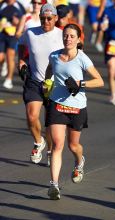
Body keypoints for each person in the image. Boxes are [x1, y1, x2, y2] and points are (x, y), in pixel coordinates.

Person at [45, 23, 104, 200]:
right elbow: (49, 70)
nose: (68, 39)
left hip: (77, 106)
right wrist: (47, 83)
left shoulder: (82, 58)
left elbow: (100, 81)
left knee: (73, 146)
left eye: (72, 36)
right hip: (57, 104)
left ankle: (79, 161)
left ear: (78, 39)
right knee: (57, 144)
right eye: (66, 35)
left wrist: (80, 84)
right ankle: (54, 185)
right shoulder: (54, 55)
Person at [18, 3, 64, 165]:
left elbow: (74, 54)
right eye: (43, 18)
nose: (46, 22)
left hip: (55, 84)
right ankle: (39, 142)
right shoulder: (30, 33)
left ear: (56, 18)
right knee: (31, 116)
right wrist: (22, 61)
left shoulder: (62, 35)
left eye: (49, 19)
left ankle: (51, 151)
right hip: (34, 81)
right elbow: (21, 44)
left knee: (50, 122)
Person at [0, 0, 26, 89]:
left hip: (13, 35)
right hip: (2, 34)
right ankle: (4, 64)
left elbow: (24, 20)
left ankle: (9, 79)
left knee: (10, 55)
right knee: (1, 57)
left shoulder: (19, 6)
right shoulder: (2, 4)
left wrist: (18, 22)